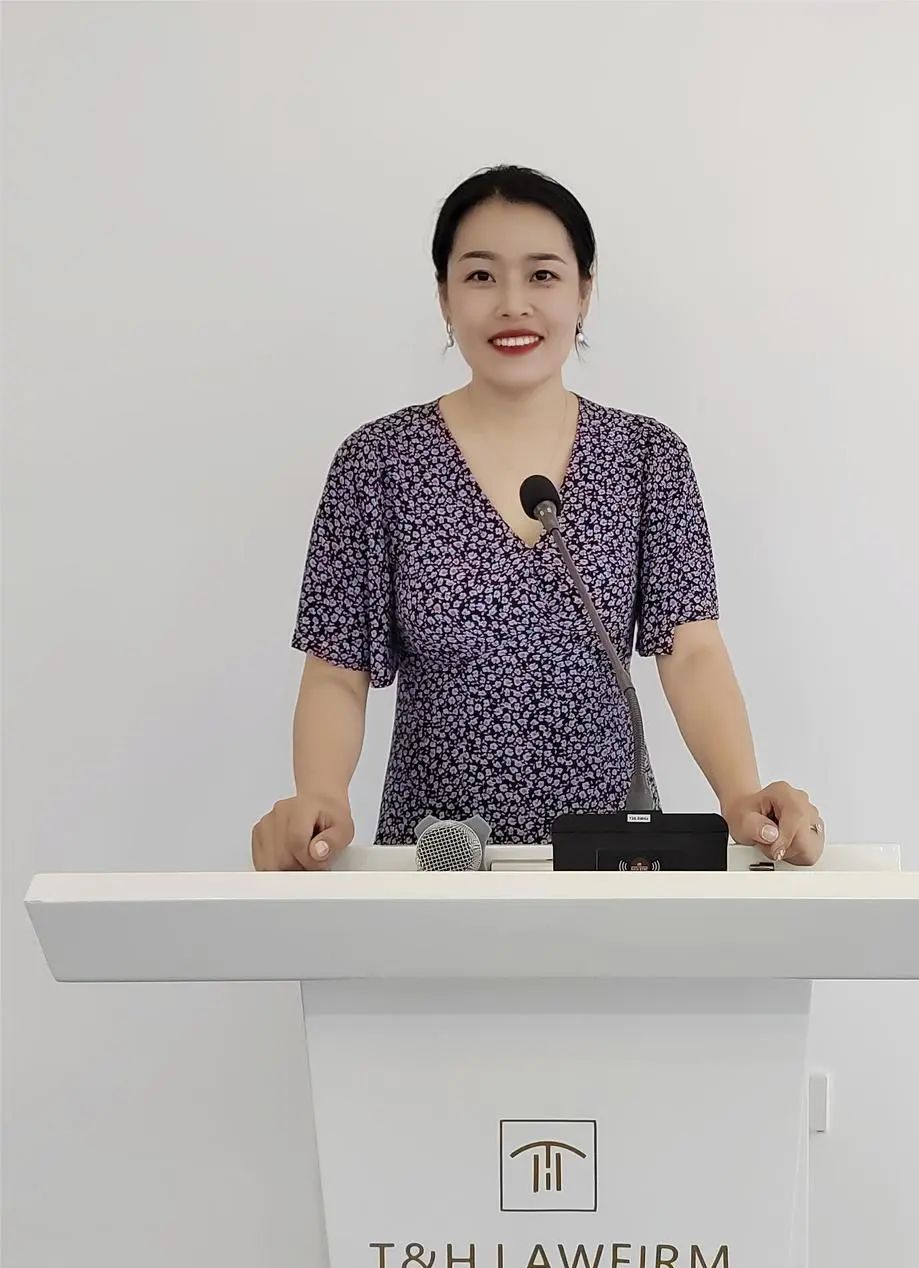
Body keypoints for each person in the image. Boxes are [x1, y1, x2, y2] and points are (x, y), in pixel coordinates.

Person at [251, 165, 825, 872]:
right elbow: (338, 669)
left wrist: (741, 795)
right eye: (481, 276)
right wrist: (321, 796)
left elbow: (691, 651)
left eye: (543, 275)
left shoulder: (647, 458)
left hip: (612, 862)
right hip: (439, 861)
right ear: (444, 296)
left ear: (584, 292)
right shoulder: (379, 463)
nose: (513, 304)